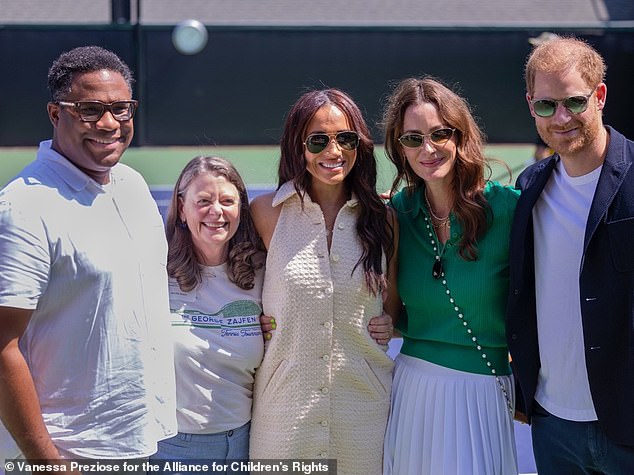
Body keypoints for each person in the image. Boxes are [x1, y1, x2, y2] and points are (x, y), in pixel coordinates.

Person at [0, 46, 176, 464]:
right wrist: (47, 462)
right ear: (55, 114)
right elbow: (2, 346)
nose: (109, 123)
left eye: (121, 108)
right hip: (69, 453)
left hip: (144, 438)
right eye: (89, 109)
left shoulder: (132, 185)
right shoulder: (23, 208)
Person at [248, 88, 397, 475]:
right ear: (298, 147)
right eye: (319, 140)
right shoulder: (266, 213)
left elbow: (396, 303)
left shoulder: (385, 218)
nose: (334, 152)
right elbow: (236, 286)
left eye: (345, 139)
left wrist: (391, 321)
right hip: (283, 415)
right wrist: (254, 320)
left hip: (364, 415)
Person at [507, 35, 634, 473]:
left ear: (599, 96)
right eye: (546, 106)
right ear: (530, 105)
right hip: (552, 426)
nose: (561, 118)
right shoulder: (527, 189)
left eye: (574, 102)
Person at [381, 77, 519, 475]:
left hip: (482, 392)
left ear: (460, 136)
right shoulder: (397, 214)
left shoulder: (508, 210)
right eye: (413, 138)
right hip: (412, 391)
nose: (427, 149)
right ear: (399, 146)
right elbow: (386, 309)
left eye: (440, 134)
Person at [150, 156, 265, 470]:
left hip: (246, 444)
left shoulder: (262, 275)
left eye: (227, 201)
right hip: (174, 448)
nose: (216, 211)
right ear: (182, 208)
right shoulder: (154, 274)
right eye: (203, 201)